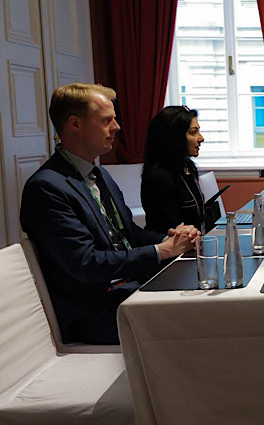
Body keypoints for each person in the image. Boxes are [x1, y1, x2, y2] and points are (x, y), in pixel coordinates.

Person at [19, 84, 199, 345]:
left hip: (126, 290)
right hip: (93, 313)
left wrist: (170, 239)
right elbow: (86, 263)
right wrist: (161, 251)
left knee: (204, 296)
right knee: (197, 320)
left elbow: (129, 234)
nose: (117, 127)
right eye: (106, 120)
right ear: (75, 124)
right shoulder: (46, 188)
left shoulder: (99, 174)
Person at [141, 106, 209, 234]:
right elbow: (172, 229)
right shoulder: (158, 177)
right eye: (193, 132)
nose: (201, 138)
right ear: (175, 137)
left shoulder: (187, 167)